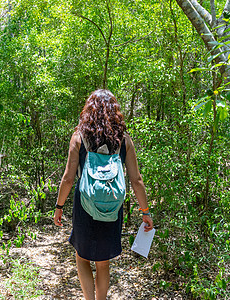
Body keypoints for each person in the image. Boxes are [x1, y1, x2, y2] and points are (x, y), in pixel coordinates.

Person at [53, 89, 154, 300]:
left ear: (88, 111)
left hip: (84, 206)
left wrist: (59, 206)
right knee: (103, 262)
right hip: (112, 208)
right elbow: (136, 180)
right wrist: (145, 211)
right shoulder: (123, 139)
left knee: (82, 258)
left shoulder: (78, 137)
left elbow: (68, 179)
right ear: (114, 111)